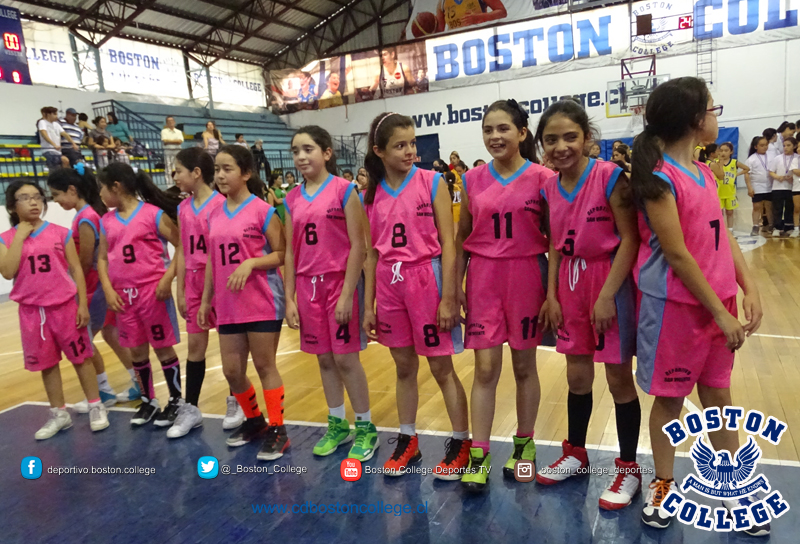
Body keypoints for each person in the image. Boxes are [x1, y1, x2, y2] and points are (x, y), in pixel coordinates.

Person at [629, 77, 765, 535]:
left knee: (719, 399)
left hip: (717, 304)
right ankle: (663, 486)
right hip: (677, 309)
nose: (716, 116)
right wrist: (720, 312)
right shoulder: (661, 178)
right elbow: (679, 254)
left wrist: (748, 286)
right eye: (713, 108)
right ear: (694, 119)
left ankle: (735, 488)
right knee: (670, 401)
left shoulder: (705, 172)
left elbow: (722, 236)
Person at [535, 100, 642, 510]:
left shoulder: (610, 176)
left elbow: (630, 237)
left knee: (617, 379)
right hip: (568, 283)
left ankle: (629, 468)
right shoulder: (548, 185)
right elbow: (554, 245)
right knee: (577, 377)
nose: (561, 146)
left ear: (587, 139)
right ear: (543, 144)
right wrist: (551, 295)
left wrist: (606, 296)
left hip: (607, 279)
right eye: (552, 139)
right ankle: (576, 454)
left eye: (570, 137)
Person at [362, 112, 470, 479]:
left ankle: (461, 442)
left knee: (441, 366)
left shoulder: (431, 182)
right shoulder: (371, 193)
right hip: (389, 281)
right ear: (379, 150)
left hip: (427, 276)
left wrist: (450, 295)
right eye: (400, 145)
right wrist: (368, 304)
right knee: (404, 366)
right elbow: (372, 251)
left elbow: (450, 244)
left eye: (412, 143)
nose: (411, 151)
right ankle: (408, 440)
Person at [455, 100, 552, 492]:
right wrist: (453, 289)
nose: (495, 136)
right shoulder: (471, 180)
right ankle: (479, 454)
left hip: (528, 274)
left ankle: (524, 445)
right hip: (483, 278)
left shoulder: (544, 178)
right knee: (484, 369)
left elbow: (557, 241)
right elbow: (461, 239)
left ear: (522, 133)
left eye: (503, 129)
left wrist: (554, 293)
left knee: (525, 367)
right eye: (488, 129)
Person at [284, 125, 378, 460]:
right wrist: (290, 298)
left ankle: (366, 428)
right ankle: (337, 423)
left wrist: (347, 293)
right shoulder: (291, 198)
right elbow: (290, 252)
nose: (300, 156)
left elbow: (358, 247)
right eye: (296, 150)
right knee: (324, 359)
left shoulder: (344, 190)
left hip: (338, 283)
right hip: (307, 287)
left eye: (308, 149)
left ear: (326, 153)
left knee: (345, 358)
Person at [198, 145, 289, 460]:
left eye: (227, 169)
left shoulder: (262, 211)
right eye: (217, 170)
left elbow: (281, 254)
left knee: (265, 366)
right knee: (232, 370)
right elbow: (212, 259)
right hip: (228, 304)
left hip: (262, 299)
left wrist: (250, 264)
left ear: (246, 173)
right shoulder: (213, 213)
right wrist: (205, 298)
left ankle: (278, 429)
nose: (220, 175)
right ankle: (255, 421)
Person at [0, 180, 109, 439]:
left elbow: (76, 270)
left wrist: (82, 304)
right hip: (32, 313)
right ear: (13, 206)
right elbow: (6, 271)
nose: (34, 202)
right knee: (48, 365)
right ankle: (59, 413)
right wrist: (21, 236)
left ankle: (96, 405)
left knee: (81, 358)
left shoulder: (60, 232)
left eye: (37, 197)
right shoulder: (6, 239)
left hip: (65, 307)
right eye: (25, 198)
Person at [97, 163, 184, 428]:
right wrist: (109, 289)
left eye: (102, 188)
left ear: (116, 187)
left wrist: (167, 278)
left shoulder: (153, 215)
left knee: (162, 347)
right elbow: (101, 259)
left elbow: (181, 246)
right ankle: (148, 401)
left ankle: (176, 400)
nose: (100, 194)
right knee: (136, 350)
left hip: (152, 292)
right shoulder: (107, 221)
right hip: (124, 296)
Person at [48, 167, 123, 410]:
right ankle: (134, 383)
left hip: (95, 287)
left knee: (84, 340)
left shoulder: (86, 218)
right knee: (111, 334)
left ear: (72, 190)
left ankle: (103, 390)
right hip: (97, 286)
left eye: (57, 194)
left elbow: (83, 260)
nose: (56, 201)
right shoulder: (87, 214)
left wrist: (68, 280)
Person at [171, 148, 228, 438]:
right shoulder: (183, 208)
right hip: (193, 282)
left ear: (196, 172)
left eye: (178, 170)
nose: (174, 176)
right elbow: (181, 249)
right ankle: (191, 408)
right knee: (195, 348)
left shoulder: (221, 205)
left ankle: (237, 401)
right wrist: (180, 288)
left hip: (220, 280)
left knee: (233, 348)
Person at [716, 142, 749, 232]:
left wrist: (737, 174)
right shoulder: (716, 162)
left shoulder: (734, 162)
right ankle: (722, 229)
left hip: (730, 192)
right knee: (719, 213)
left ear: (731, 152)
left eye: (726, 150)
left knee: (730, 212)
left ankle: (730, 229)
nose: (723, 153)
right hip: (718, 192)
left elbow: (747, 168)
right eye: (721, 150)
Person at [769, 136, 797, 238]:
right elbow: (771, 171)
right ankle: (777, 227)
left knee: (790, 208)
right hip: (778, 187)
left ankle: (789, 226)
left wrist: (792, 177)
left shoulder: (797, 158)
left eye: (788, 145)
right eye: (784, 145)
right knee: (777, 208)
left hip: (791, 187)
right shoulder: (777, 158)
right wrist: (777, 177)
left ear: (794, 146)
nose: (785, 148)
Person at [745, 136, 773, 236]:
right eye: (762, 145)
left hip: (770, 186)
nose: (765, 147)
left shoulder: (772, 156)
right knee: (757, 207)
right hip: (757, 186)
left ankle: (771, 225)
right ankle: (755, 226)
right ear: (756, 146)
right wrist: (749, 187)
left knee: (769, 206)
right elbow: (747, 174)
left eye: (766, 145)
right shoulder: (751, 159)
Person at [38, 106, 79, 172]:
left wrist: (73, 143)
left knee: (65, 163)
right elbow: (44, 134)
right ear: (48, 115)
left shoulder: (56, 124)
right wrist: (54, 145)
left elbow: (65, 134)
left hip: (57, 151)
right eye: (54, 114)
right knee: (58, 166)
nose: (56, 116)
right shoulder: (42, 122)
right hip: (49, 149)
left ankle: (64, 178)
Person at [435, 0, 507, 32]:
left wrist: (480, 17)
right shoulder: (442, 2)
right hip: (456, 43)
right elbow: (439, 30)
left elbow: (502, 12)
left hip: (478, 38)